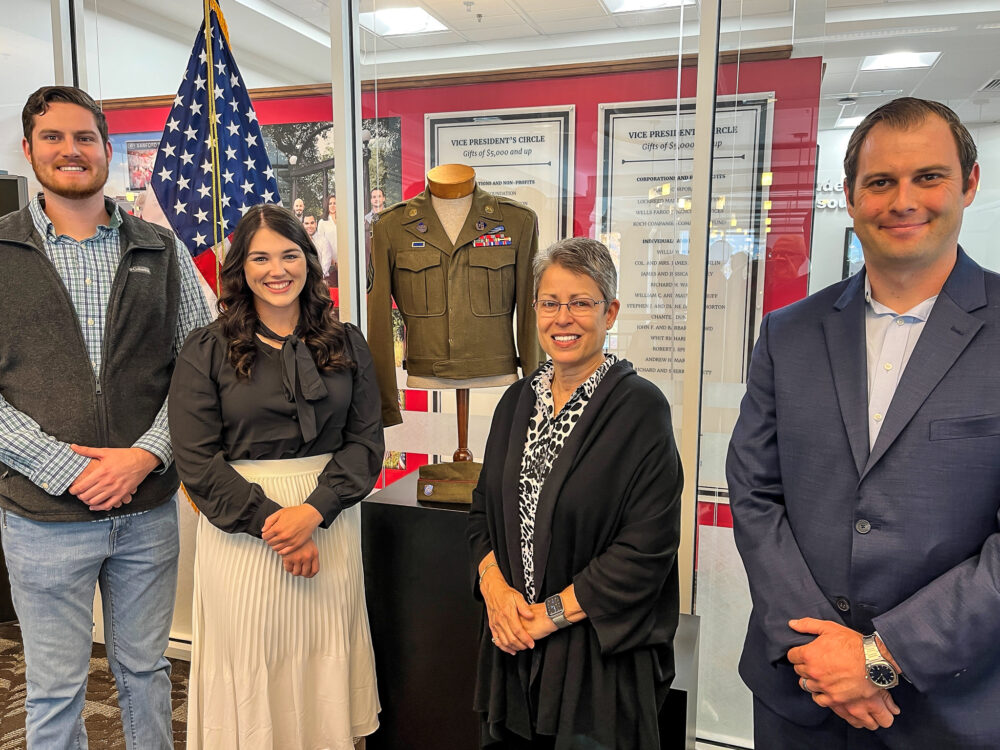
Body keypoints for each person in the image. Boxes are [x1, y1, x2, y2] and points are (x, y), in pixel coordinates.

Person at [727, 97, 1000, 748]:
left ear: (969, 183)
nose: (903, 200)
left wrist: (880, 657)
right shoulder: (788, 333)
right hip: (800, 694)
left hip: (949, 707)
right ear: (850, 198)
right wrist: (822, 656)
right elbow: (755, 493)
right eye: (880, 182)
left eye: (927, 177)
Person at [0, 85, 211, 748]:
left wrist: (147, 455)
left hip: (147, 513)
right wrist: (64, 468)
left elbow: (200, 371)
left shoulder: (160, 250)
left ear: (107, 148)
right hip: (41, 519)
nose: (71, 151)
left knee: (146, 673)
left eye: (84, 137)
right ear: (28, 150)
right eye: (54, 138)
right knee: (56, 689)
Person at [168, 203, 383, 749]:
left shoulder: (347, 343)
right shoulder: (206, 349)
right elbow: (196, 460)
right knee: (253, 664)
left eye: (289, 254)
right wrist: (278, 527)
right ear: (240, 268)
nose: (276, 269)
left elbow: (365, 443)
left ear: (309, 262)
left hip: (329, 519)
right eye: (260, 257)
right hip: (243, 530)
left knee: (321, 663)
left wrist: (312, 514)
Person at [468, 237, 682, 748]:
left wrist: (547, 616)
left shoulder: (641, 410)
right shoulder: (517, 401)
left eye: (581, 303)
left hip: (594, 665)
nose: (563, 318)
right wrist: (497, 595)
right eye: (550, 303)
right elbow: (482, 513)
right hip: (513, 651)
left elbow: (644, 550)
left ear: (610, 312)